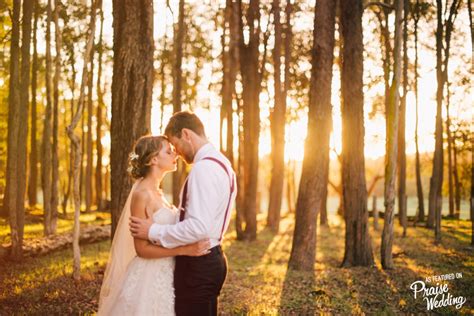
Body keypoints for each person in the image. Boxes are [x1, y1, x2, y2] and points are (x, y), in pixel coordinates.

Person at [130, 111, 237, 316]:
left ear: (186, 134)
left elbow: (198, 227)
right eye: (169, 150)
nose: (176, 152)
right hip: (209, 258)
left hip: (200, 264)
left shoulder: (203, 169)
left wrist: (152, 231)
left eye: (174, 144)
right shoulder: (222, 164)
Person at [98, 135, 210, 316]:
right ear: (153, 160)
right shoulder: (141, 194)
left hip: (166, 273)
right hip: (148, 277)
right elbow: (142, 249)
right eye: (169, 151)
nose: (175, 154)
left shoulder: (157, 191)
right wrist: (184, 250)